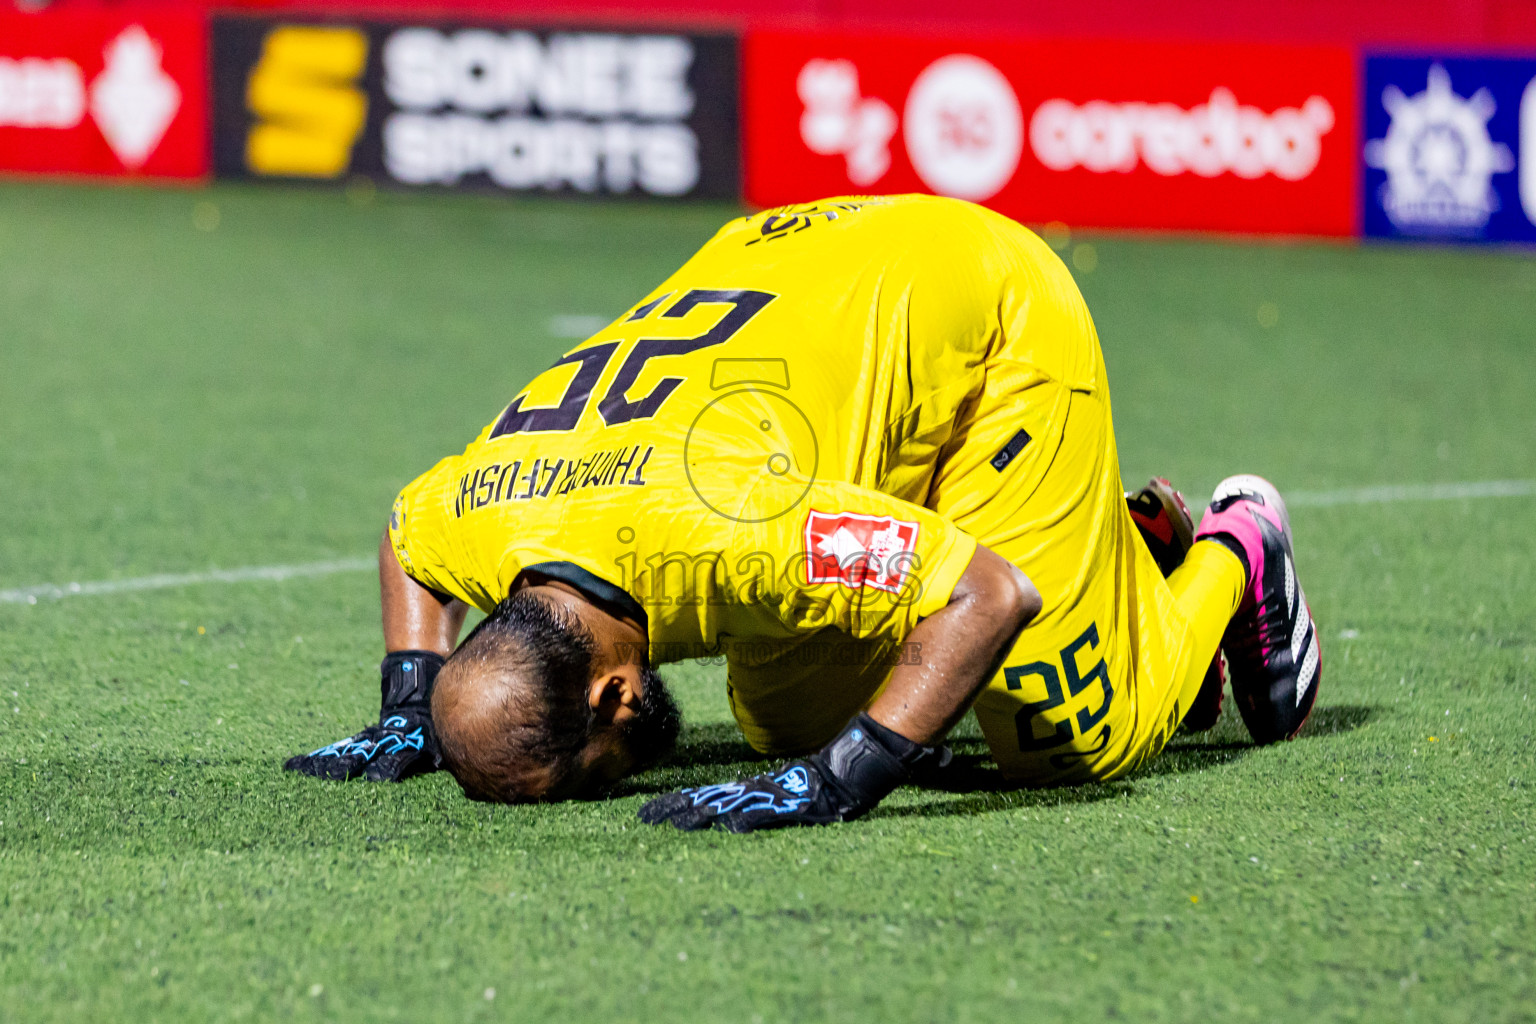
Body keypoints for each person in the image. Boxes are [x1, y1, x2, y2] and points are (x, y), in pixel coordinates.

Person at [284, 195, 1321, 830]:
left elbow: (984, 590)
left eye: (582, 780)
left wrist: (843, 780)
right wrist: (410, 706)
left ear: (611, 696)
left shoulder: (730, 533)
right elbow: (408, 537)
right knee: (786, 723)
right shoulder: (487, 520)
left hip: (987, 305)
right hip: (799, 264)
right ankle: (1116, 550)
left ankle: (1236, 547)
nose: (598, 788)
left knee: (1058, 734)